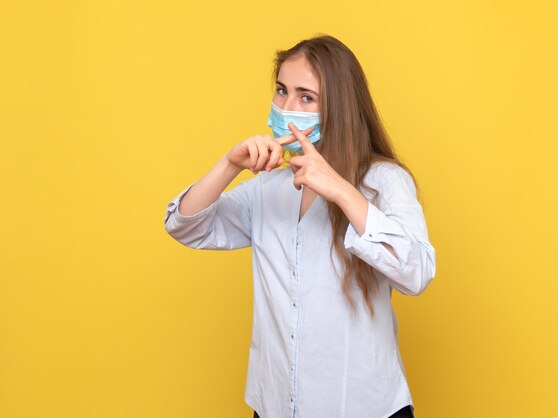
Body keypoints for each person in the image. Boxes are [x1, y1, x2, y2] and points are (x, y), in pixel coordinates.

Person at [164, 34, 436, 418]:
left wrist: (341, 190)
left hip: (363, 407)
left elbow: (417, 272)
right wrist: (230, 165)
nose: (288, 106)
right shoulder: (267, 189)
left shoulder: (383, 181)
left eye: (306, 96)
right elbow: (184, 225)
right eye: (281, 91)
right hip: (276, 406)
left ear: (338, 108)